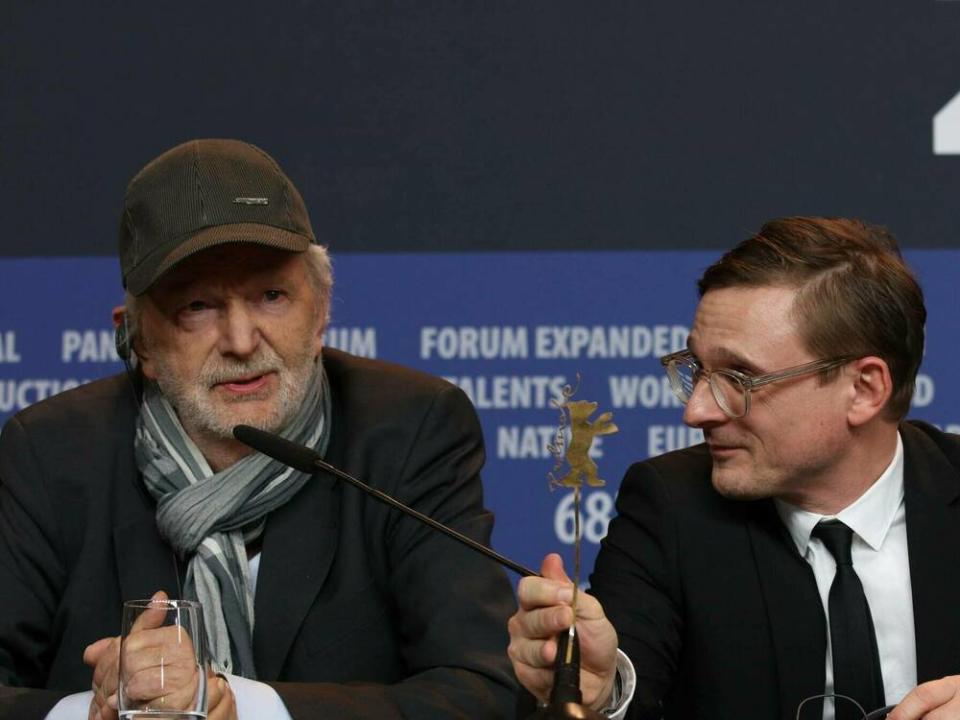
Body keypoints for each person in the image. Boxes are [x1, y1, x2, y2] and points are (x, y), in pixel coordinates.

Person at [0, 139, 518, 719]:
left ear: (320, 313)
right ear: (139, 339)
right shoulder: (50, 453)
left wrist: (243, 708)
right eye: (198, 305)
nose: (242, 341)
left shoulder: (408, 430)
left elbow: (482, 689)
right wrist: (97, 712)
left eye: (272, 296)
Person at [508, 217, 960, 719]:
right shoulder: (670, 506)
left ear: (864, 389)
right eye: (698, 370)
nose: (697, 410)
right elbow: (623, 667)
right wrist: (603, 689)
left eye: (739, 378)